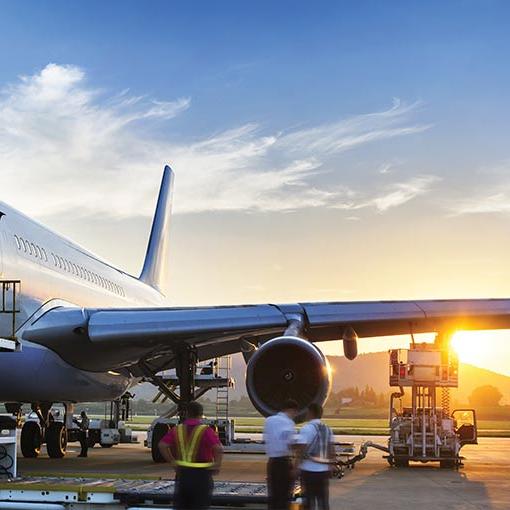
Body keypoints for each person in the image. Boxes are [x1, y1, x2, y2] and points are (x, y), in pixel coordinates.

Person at [158, 401, 223, 510]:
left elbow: (162, 445)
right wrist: (217, 465)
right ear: (201, 415)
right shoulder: (206, 430)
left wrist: (172, 462)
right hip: (202, 476)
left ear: (187, 413)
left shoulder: (177, 429)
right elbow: (218, 448)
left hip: (183, 474)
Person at [295, 403, 335, 510]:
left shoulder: (306, 429)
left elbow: (301, 450)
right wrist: (331, 466)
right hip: (323, 471)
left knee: (308, 503)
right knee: (323, 502)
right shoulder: (327, 429)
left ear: (311, 413)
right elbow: (331, 449)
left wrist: (296, 467)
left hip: (308, 471)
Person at [263, 399, 299, 510]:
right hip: (284, 463)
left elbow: (266, 439)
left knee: (273, 497)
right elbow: (291, 443)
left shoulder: (269, 420)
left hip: (272, 462)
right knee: (284, 497)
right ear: (292, 410)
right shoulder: (289, 422)